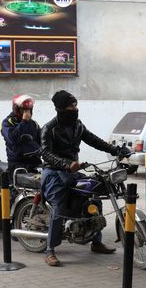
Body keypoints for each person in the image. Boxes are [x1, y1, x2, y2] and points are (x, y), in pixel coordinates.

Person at [40, 90, 131, 266]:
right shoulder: (49, 128)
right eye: (71, 106)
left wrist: (116, 150)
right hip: (53, 173)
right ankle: (50, 250)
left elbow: (94, 140)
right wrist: (66, 164)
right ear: (60, 108)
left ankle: (96, 241)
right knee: (58, 205)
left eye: (76, 105)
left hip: (73, 171)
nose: (75, 109)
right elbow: (45, 153)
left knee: (94, 198)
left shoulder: (77, 125)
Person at [1, 94, 42, 177]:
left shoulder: (34, 124)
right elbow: (12, 139)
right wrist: (24, 122)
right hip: (18, 164)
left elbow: (41, 140)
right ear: (17, 109)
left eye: (28, 110)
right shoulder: (8, 122)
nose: (26, 112)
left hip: (35, 163)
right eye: (24, 110)